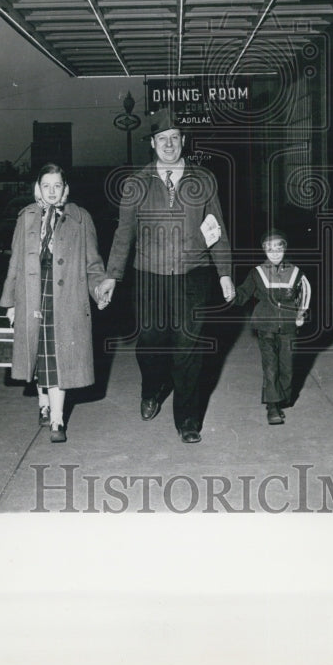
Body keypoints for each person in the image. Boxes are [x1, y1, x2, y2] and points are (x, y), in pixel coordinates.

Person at [97, 108, 235, 444]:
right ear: (153, 144)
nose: (169, 144)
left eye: (175, 138)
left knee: (188, 347)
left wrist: (225, 273)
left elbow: (214, 229)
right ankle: (151, 389)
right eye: (162, 139)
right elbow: (124, 233)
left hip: (193, 274)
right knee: (152, 341)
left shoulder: (203, 180)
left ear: (183, 141)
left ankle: (187, 418)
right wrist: (112, 276)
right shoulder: (136, 184)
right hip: (150, 275)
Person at [0, 164, 107, 443]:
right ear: (38, 188)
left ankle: (57, 421)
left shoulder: (81, 218)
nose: (51, 191)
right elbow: (15, 262)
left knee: (58, 359)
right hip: (32, 295)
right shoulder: (25, 217)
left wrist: (100, 290)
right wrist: (10, 303)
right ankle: (43, 403)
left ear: (65, 188)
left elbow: (93, 263)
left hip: (68, 297)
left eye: (57, 185)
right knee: (38, 355)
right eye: (46, 185)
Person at [232, 229, 311, 425]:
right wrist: (230, 294)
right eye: (270, 249)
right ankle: (272, 405)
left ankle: (282, 398)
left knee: (287, 365)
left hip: (288, 326)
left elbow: (306, 293)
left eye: (279, 248)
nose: (274, 253)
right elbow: (242, 293)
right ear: (264, 251)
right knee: (270, 366)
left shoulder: (296, 273)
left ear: (285, 249)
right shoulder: (257, 273)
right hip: (265, 326)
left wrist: (301, 313)